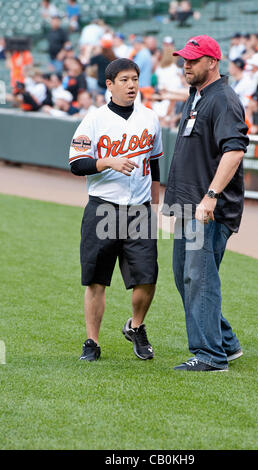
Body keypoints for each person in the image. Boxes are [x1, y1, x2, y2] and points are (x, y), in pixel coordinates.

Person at [163, 35, 249, 372]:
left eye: (193, 59)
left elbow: (235, 149)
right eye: (184, 58)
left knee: (199, 279)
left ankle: (211, 356)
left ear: (212, 62)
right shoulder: (197, 95)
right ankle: (226, 343)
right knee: (185, 278)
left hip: (207, 209)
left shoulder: (223, 99)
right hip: (187, 206)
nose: (186, 64)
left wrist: (210, 197)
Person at [68, 58, 163, 362]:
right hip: (103, 207)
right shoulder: (93, 120)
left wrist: (155, 196)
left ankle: (136, 326)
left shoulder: (150, 118)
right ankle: (92, 342)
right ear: (109, 85)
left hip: (139, 209)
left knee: (147, 277)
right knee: (97, 279)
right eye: (124, 79)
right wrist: (107, 161)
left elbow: (155, 159)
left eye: (134, 78)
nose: (132, 84)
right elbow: (76, 164)